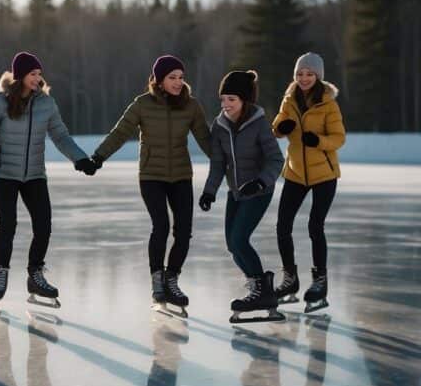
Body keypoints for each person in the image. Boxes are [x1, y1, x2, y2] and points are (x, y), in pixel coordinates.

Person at [0, 51, 97, 311]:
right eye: (33, 74)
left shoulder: (46, 104)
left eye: (40, 74)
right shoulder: (0, 101)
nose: (38, 79)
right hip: (3, 173)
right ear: (19, 76)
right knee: (8, 224)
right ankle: (1, 273)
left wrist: (80, 159)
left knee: (44, 224)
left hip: (34, 176)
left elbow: (61, 136)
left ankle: (35, 275)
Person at [91, 55, 211, 315]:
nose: (178, 82)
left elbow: (205, 139)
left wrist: (228, 165)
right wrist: (98, 157)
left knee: (184, 231)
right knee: (161, 225)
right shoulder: (142, 104)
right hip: (151, 176)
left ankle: (172, 279)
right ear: (159, 80)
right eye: (172, 78)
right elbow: (121, 132)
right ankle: (157, 279)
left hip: (181, 174)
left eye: (181, 77)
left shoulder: (191, 106)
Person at [200, 70, 285, 323]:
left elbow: (276, 159)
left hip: (259, 192)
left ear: (244, 101)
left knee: (239, 239)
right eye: (223, 99)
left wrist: (259, 182)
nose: (226, 105)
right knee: (232, 245)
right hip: (236, 193)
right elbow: (218, 164)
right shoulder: (220, 126)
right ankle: (261, 287)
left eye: (232, 100)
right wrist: (209, 191)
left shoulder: (259, 124)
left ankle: (261, 290)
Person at [270, 52, 346, 313]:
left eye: (309, 74)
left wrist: (319, 141)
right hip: (295, 172)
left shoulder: (328, 103)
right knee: (282, 226)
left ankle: (319, 283)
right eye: (300, 74)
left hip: (324, 173)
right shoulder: (289, 99)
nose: (304, 78)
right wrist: (282, 126)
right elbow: (277, 126)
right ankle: (290, 280)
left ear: (318, 76)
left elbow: (339, 138)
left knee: (315, 226)